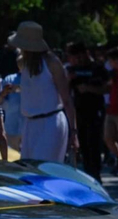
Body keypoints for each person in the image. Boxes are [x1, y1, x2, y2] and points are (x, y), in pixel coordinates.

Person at [10, 22, 72, 162]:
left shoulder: (52, 63)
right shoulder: (22, 62)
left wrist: (73, 131)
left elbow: (66, 98)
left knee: (45, 168)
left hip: (50, 122)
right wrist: (17, 89)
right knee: (29, 168)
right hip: (30, 123)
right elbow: (38, 87)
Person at [65, 41, 108, 180]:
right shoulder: (72, 70)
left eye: (79, 56)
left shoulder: (98, 68)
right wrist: (68, 80)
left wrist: (89, 88)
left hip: (95, 111)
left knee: (94, 144)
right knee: (83, 145)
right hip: (79, 111)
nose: (77, 60)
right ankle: (88, 174)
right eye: (74, 58)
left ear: (85, 53)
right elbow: (65, 91)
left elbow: (107, 88)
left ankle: (96, 174)